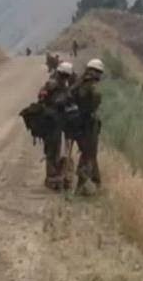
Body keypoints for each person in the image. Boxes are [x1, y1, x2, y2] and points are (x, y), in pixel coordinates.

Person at [37, 61, 75, 190]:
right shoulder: (52, 85)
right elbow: (42, 98)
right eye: (64, 75)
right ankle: (52, 178)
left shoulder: (63, 86)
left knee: (57, 150)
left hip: (59, 122)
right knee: (52, 150)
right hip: (51, 122)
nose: (65, 78)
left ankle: (57, 177)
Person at [70, 58, 105, 194]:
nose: (99, 76)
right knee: (89, 154)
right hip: (88, 125)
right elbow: (95, 101)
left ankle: (95, 182)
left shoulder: (78, 83)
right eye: (99, 73)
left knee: (88, 153)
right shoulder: (91, 86)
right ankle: (83, 186)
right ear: (96, 72)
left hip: (78, 124)